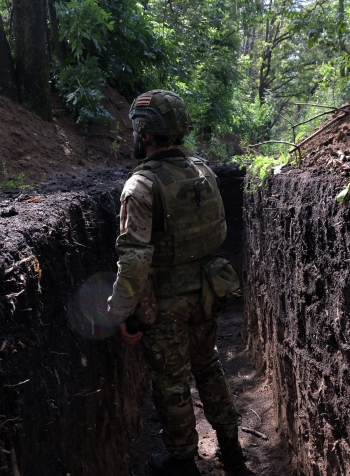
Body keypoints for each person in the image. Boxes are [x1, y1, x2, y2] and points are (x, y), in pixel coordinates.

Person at [107, 90, 245, 475]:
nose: (133, 136)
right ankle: (232, 450)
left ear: (147, 135)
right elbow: (218, 233)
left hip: (165, 303)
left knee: (171, 382)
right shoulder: (203, 171)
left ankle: (183, 461)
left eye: (136, 129)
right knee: (209, 366)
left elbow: (134, 259)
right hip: (206, 294)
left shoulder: (142, 186)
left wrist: (120, 311)